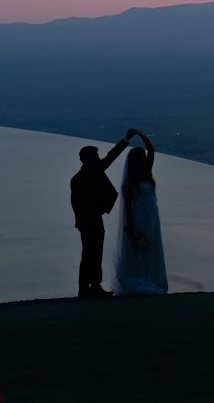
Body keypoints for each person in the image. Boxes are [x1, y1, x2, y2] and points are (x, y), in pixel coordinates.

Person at [70, 128, 137, 299]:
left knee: (89, 253)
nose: (98, 159)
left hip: (87, 221)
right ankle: (91, 286)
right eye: (95, 157)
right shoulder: (90, 173)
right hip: (91, 220)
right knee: (93, 253)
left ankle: (87, 287)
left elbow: (75, 205)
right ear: (89, 159)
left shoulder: (79, 178)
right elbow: (110, 158)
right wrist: (125, 140)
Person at [112, 129, 168, 296]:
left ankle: (149, 277)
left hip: (151, 218)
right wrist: (131, 228)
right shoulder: (131, 183)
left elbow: (151, 151)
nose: (145, 159)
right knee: (139, 250)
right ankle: (142, 277)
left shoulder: (146, 174)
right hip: (140, 219)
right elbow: (128, 208)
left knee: (151, 249)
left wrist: (141, 135)